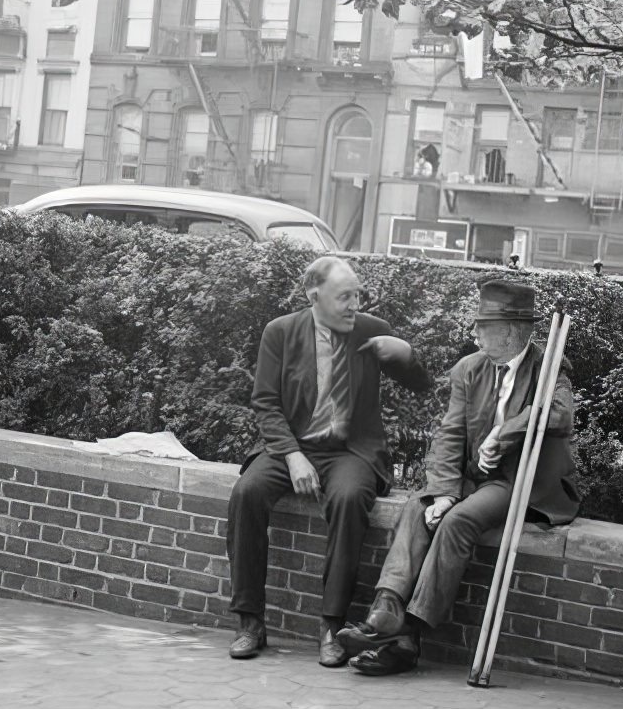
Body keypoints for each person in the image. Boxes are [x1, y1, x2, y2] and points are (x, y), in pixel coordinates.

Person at [336, 278, 579, 675]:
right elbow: (450, 435)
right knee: (419, 507)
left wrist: (505, 432)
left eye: (482, 325)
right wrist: (445, 492)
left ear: (510, 331)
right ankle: (386, 613)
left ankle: (406, 637)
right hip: (471, 477)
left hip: (516, 481)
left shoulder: (549, 367)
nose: (474, 332)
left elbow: (559, 414)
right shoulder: (469, 369)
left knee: (459, 521)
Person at [226, 256, 432, 666]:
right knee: (247, 493)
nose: (355, 304)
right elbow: (266, 404)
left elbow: (421, 386)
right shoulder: (281, 333)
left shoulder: (372, 332)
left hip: (350, 450)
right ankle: (250, 622)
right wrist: (292, 455)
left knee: (350, 498)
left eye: (358, 294)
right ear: (313, 295)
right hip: (292, 444)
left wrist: (405, 354)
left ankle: (331, 625)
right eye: (345, 297)